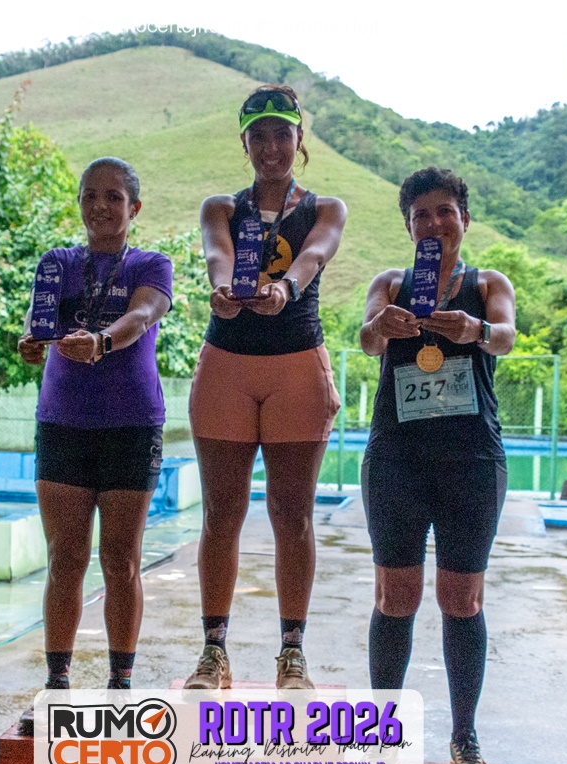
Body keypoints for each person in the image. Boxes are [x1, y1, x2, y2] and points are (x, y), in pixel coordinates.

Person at [183, 85, 347, 691]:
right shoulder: (221, 207)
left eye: (283, 134)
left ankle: (292, 654)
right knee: (221, 512)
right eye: (259, 136)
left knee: (292, 514)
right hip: (227, 364)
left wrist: (287, 288)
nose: (271, 146)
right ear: (244, 142)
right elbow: (217, 256)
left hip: (297, 365)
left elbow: (315, 254)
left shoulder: (325, 207)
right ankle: (213, 652)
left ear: (300, 139)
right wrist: (223, 289)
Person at [358, 167, 515, 764]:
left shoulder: (488, 284)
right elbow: (367, 340)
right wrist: (383, 326)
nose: (434, 223)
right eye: (420, 215)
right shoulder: (392, 285)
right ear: (408, 227)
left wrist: (476, 331)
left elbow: (506, 336)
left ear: (464, 220)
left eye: (444, 211)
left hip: (471, 459)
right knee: (395, 597)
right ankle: (379, 738)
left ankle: (464, 739)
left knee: (462, 599)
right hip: (397, 458)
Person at [17, 157, 173, 691]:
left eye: (113, 197)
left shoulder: (151, 264)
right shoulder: (57, 262)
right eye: (90, 195)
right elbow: (39, 318)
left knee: (121, 560)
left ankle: (119, 687)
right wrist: (30, 341)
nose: (100, 206)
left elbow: (142, 315)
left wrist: (102, 341)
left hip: (131, 425)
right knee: (65, 558)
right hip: (63, 421)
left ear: (135, 207)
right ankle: (56, 684)